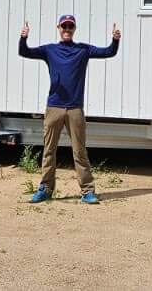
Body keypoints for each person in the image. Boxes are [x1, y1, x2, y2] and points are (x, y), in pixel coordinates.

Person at [18, 14, 121, 204]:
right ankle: (45, 189)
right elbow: (25, 52)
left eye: (70, 27)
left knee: (80, 151)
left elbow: (108, 52)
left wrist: (115, 40)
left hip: (75, 109)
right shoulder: (50, 50)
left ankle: (87, 191)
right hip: (54, 107)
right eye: (64, 26)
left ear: (74, 29)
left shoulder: (83, 50)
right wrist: (23, 38)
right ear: (58, 28)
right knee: (49, 150)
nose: (67, 29)